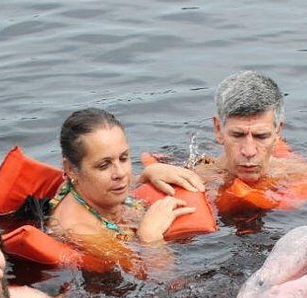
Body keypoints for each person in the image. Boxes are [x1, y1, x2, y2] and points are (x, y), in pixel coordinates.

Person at [46, 108, 201, 274]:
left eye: (124, 158)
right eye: (104, 165)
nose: (121, 173)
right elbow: (161, 278)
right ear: (70, 169)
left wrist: (148, 174)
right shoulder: (81, 232)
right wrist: (150, 237)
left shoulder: (90, 188)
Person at [192, 70, 307, 210]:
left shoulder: (300, 176)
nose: (249, 151)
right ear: (218, 129)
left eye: (261, 136)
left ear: (277, 132)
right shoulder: (197, 180)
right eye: (237, 135)